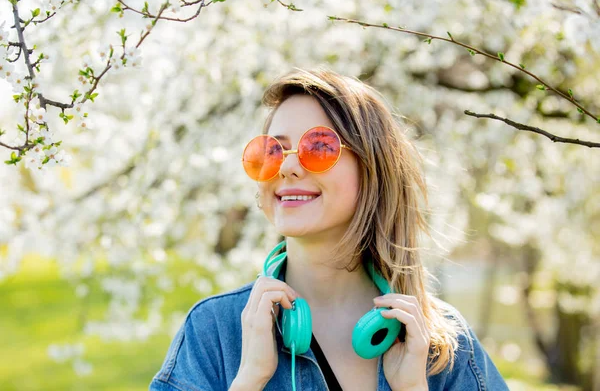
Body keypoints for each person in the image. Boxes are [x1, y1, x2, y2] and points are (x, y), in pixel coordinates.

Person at [149, 67, 509, 391]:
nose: (287, 170)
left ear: (372, 168)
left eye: (318, 147)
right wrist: (249, 380)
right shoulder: (215, 332)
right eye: (272, 151)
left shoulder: (441, 343)